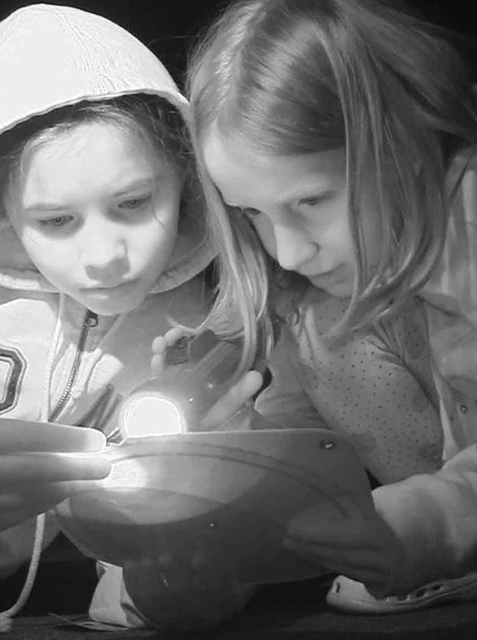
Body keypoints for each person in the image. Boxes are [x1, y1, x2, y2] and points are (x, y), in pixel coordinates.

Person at [0, 5, 268, 638]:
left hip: (80, 559)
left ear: (182, 173)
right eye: (55, 221)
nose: (104, 257)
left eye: (133, 203)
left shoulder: (213, 302)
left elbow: (189, 550)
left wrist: (180, 550)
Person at [184, 0, 477, 616]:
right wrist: (236, 455)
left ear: (398, 138)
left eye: (311, 199)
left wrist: (432, 522)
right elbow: (299, 429)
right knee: (324, 322)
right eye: (251, 213)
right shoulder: (317, 291)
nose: (286, 252)